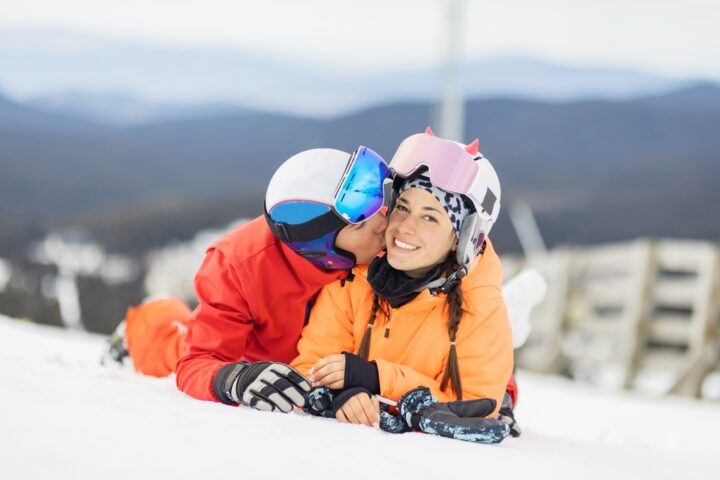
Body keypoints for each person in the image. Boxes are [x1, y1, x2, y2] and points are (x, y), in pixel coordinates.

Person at [291, 130, 514, 428]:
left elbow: (475, 406)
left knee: (504, 393)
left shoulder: (481, 308)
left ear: (460, 239)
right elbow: (310, 368)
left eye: (430, 217)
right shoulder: (354, 281)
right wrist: (341, 394)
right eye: (403, 208)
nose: (405, 227)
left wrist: (376, 378)